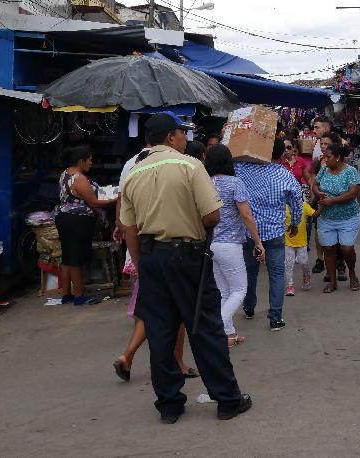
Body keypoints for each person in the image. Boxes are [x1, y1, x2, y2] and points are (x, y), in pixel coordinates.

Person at [119, 112, 251, 423]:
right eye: (182, 133)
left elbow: (129, 227)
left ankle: (169, 404)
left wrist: (141, 265)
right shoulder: (191, 166)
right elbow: (212, 217)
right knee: (204, 327)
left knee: (160, 331)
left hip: (152, 258)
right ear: (170, 138)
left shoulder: (134, 173)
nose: (185, 139)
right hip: (187, 256)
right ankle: (227, 399)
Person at [114, 134, 197, 382]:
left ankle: (129, 357)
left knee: (152, 310)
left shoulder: (133, 169)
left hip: (145, 253)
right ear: (169, 138)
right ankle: (174, 363)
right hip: (163, 251)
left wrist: (137, 259)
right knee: (169, 312)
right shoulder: (172, 168)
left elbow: (125, 218)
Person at [235, 140, 303, 331]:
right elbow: (297, 201)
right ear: (282, 154)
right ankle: (275, 317)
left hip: (249, 231)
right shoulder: (284, 175)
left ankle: (249, 308)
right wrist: (295, 223)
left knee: (250, 271)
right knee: (277, 274)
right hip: (275, 232)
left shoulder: (242, 168)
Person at [204, 144, 264, 347]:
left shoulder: (205, 183)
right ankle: (216, 326)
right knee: (239, 290)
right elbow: (246, 215)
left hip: (210, 244)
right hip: (230, 244)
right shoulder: (235, 183)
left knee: (224, 292)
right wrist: (257, 240)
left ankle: (228, 335)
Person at [55, 146, 117, 306]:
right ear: (81, 161)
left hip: (64, 218)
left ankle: (66, 294)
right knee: (76, 258)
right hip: (77, 220)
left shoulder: (65, 174)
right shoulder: (79, 179)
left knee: (68, 256)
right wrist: (116, 199)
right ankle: (79, 296)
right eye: (89, 160)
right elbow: (94, 202)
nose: (91, 163)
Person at [313, 142, 360, 293]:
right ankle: (332, 282)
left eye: (328, 157)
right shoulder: (324, 170)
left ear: (338, 157)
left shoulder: (350, 171)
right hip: (327, 217)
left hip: (348, 217)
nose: (326, 160)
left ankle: (352, 273)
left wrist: (331, 201)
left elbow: (353, 193)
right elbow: (315, 184)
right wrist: (318, 193)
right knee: (328, 249)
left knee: (346, 248)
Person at [309, 116, 334, 274]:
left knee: (333, 232)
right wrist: (313, 199)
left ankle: (337, 262)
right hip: (320, 198)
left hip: (335, 199)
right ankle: (320, 259)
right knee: (319, 231)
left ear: (326, 128)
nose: (314, 130)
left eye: (317, 127)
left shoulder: (341, 146)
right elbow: (313, 180)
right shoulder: (316, 149)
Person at [285, 199, 315, 295]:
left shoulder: (304, 206)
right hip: (287, 241)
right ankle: (290, 285)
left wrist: (322, 205)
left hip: (301, 242)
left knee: (303, 262)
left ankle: (306, 276)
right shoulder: (282, 207)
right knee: (288, 264)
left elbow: (314, 214)